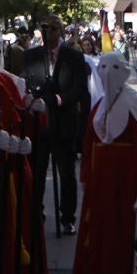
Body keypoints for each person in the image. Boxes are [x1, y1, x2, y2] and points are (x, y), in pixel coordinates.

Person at [70, 52, 137, 274]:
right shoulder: (97, 107)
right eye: (104, 67)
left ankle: (124, 273)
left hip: (127, 181)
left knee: (123, 226)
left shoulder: (135, 104)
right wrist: (86, 174)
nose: (108, 73)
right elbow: (89, 143)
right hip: (101, 179)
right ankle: (97, 272)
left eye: (115, 67)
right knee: (100, 224)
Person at [36, 18, 91, 233]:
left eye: (52, 28)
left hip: (64, 122)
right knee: (39, 171)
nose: (48, 32)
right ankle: (37, 212)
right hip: (41, 123)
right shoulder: (34, 55)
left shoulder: (74, 56)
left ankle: (67, 217)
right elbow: (28, 81)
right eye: (45, 28)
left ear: (60, 31)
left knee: (66, 173)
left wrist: (60, 100)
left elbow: (80, 89)